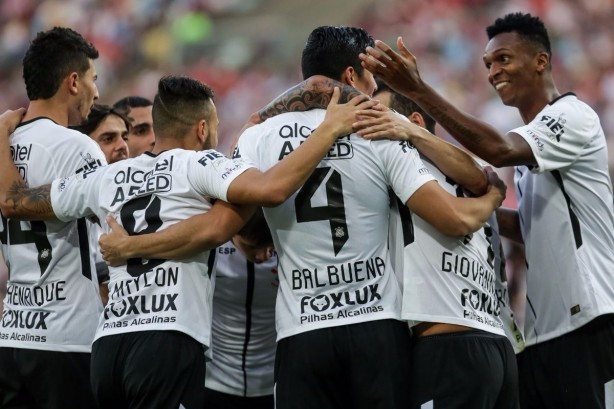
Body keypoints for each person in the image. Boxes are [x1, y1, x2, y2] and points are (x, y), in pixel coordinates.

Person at [97, 26, 507, 409]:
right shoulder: (380, 125)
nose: (375, 90)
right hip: (376, 327)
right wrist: (492, 194)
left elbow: (234, 229)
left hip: (301, 332)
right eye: (371, 79)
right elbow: (452, 211)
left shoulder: (259, 135)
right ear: (353, 74)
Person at [0, 74, 376, 409]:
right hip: (167, 342)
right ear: (201, 130)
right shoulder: (200, 165)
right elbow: (272, 188)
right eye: (213, 126)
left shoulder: (108, 177)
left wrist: (1, 134)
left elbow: (14, 202)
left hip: (108, 347)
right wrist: (327, 130)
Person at [359, 12, 614, 409]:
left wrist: (419, 91)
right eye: (488, 64)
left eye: (504, 59)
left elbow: (498, 151)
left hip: (590, 317)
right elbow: (533, 229)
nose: (494, 71)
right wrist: (468, 203)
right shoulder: (538, 152)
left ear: (541, 62)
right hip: (545, 331)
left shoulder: (572, 116)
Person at [360, 79, 523, 408]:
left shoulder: (404, 171)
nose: (367, 128)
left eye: (379, 114)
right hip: (499, 346)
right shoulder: (472, 175)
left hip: (448, 347)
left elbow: (455, 219)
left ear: (413, 123)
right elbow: (484, 178)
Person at [0, 27, 104, 409]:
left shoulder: (3, 148)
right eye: (94, 79)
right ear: (73, 81)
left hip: (12, 336)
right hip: (68, 340)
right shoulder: (80, 149)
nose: (98, 92)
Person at [205, 208, 278, 409]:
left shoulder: (287, 244)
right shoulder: (209, 243)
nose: (264, 255)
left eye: (270, 246)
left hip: (273, 382)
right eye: (253, 246)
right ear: (232, 232)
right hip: (213, 380)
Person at [72, 103, 132, 305]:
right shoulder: (67, 215)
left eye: (125, 137)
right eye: (108, 139)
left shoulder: (140, 207)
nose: (122, 146)